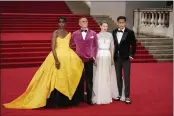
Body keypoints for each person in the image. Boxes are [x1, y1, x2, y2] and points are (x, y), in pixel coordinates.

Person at [3, 16, 84, 109]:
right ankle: (53, 101)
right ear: (58, 23)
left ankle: (67, 100)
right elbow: (53, 47)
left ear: (66, 23)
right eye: (60, 22)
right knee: (54, 78)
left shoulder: (69, 33)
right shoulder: (55, 33)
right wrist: (56, 60)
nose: (61, 24)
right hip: (56, 56)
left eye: (63, 22)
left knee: (70, 74)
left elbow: (71, 44)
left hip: (68, 56)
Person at [92, 20, 125, 105]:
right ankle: (100, 93)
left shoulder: (110, 35)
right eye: (104, 26)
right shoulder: (96, 35)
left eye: (106, 26)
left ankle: (108, 93)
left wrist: (112, 58)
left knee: (108, 74)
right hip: (99, 55)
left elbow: (112, 47)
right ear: (100, 26)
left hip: (107, 55)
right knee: (100, 74)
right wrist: (94, 57)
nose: (105, 28)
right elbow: (94, 47)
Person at [70, 16, 98, 105]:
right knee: (79, 79)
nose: (85, 22)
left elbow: (95, 46)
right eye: (83, 21)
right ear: (79, 24)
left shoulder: (93, 33)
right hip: (78, 60)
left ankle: (90, 99)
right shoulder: (74, 34)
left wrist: (94, 56)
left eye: (86, 21)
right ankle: (79, 98)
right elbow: (69, 44)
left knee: (89, 79)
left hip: (89, 59)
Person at [112, 16, 137, 104]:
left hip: (126, 58)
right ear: (117, 23)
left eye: (123, 22)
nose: (121, 24)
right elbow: (113, 44)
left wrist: (131, 55)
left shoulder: (130, 32)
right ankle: (119, 94)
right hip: (116, 58)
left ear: (125, 23)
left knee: (126, 77)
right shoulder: (114, 32)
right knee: (118, 77)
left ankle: (127, 96)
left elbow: (134, 44)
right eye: (120, 22)